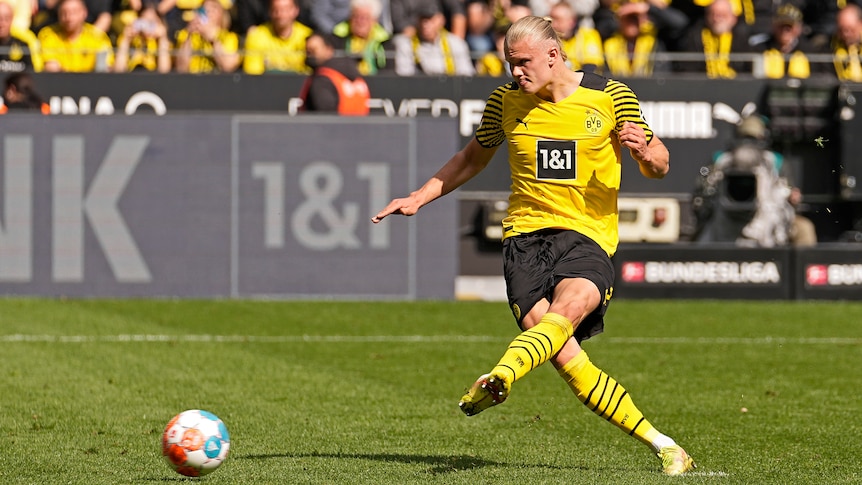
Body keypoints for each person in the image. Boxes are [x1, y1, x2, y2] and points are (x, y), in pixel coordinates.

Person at [372, 15, 695, 476]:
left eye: (523, 63)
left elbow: (660, 162)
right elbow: (472, 158)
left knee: (570, 308)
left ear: (553, 54)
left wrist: (645, 152)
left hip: (586, 235)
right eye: (510, 63)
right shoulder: (506, 101)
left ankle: (501, 374)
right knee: (565, 357)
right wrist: (418, 198)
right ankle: (664, 444)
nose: (515, 72)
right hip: (524, 241)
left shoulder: (611, 95)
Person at [674, 0, 752, 78]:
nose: (717, 19)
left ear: (733, 18)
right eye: (713, 14)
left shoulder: (745, 41)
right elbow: (688, 71)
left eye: (722, 15)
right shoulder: (694, 38)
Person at [392, 2, 475, 76]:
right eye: (422, 19)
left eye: (430, 19)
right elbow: (404, 77)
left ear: (441, 20)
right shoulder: (406, 44)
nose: (425, 24)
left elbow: (466, 76)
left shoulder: (456, 43)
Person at [299, 30, 370, 114]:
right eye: (307, 52)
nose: (309, 56)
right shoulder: (357, 77)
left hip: (334, 126)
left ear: (328, 50)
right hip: (362, 125)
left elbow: (325, 116)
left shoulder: (323, 80)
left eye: (313, 51)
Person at [37, 0, 114, 72]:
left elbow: (105, 68)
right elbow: (51, 69)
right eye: (64, 13)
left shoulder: (97, 36)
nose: (69, 18)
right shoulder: (48, 34)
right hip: (60, 83)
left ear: (84, 13)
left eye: (74, 12)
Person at [602, 0, 673, 76]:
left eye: (635, 19)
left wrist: (646, 8)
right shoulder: (609, 45)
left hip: (648, 86)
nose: (632, 23)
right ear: (620, 20)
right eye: (628, 18)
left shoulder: (654, 43)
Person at [750, 3, 820, 79]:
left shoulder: (810, 52)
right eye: (781, 25)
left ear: (798, 28)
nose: (785, 30)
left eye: (789, 26)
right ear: (774, 26)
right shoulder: (760, 49)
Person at [243, 0, 312, 74]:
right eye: (276, 10)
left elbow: (311, 71)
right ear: (269, 12)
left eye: (285, 9)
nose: (280, 14)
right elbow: (253, 74)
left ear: (296, 10)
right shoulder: (256, 36)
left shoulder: (308, 37)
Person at [174, 0, 241, 73]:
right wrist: (189, 35)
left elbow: (228, 66)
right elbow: (181, 68)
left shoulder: (229, 37)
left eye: (213, 8)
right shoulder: (186, 35)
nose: (208, 12)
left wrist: (213, 40)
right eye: (204, 9)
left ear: (222, 14)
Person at [332, 0, 392, 75]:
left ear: (375, 20)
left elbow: (389, 72)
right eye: (356, 16)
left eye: (365, 17)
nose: (360, 21)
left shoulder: (385, 41)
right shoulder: (337, 37)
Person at [113, 3, 172, 72]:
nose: (146, 26)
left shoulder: (162, 42)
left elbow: (164, 71)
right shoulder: (131, 40)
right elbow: (119, 69)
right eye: (143, 21)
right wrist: (126, 40)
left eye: (151, 23)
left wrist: (162, 39)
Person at [549, 0, 604, 72]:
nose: (553, 24)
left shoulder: (588, 35)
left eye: (558, 19)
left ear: (571, 22)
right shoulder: (547, 39)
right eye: (551, 20)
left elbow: (591, 66)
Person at [0, 1, 42, 73]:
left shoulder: (23, 44)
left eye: (6, 19)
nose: (2, 23)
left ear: (12, 20)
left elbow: (32, 73)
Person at [830, 3, 862, 82]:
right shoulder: (830, 48)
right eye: (842, 29)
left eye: (850, 29)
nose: (846, 34)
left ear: (860, 24)